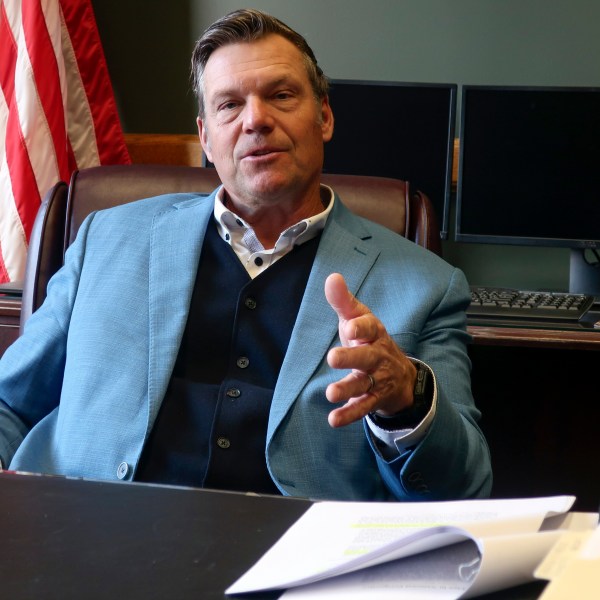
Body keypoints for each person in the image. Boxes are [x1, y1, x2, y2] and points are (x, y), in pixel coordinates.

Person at [0, 9, 491, 501]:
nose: (256, 119)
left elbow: (462, 489)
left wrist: (406, 399)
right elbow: (10, 403)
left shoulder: (426, 285)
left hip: (298, 557)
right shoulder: (106, 238)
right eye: (229, 105)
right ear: (206, 138)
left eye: (280, 95)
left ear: (324, 117)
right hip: (91, 539)